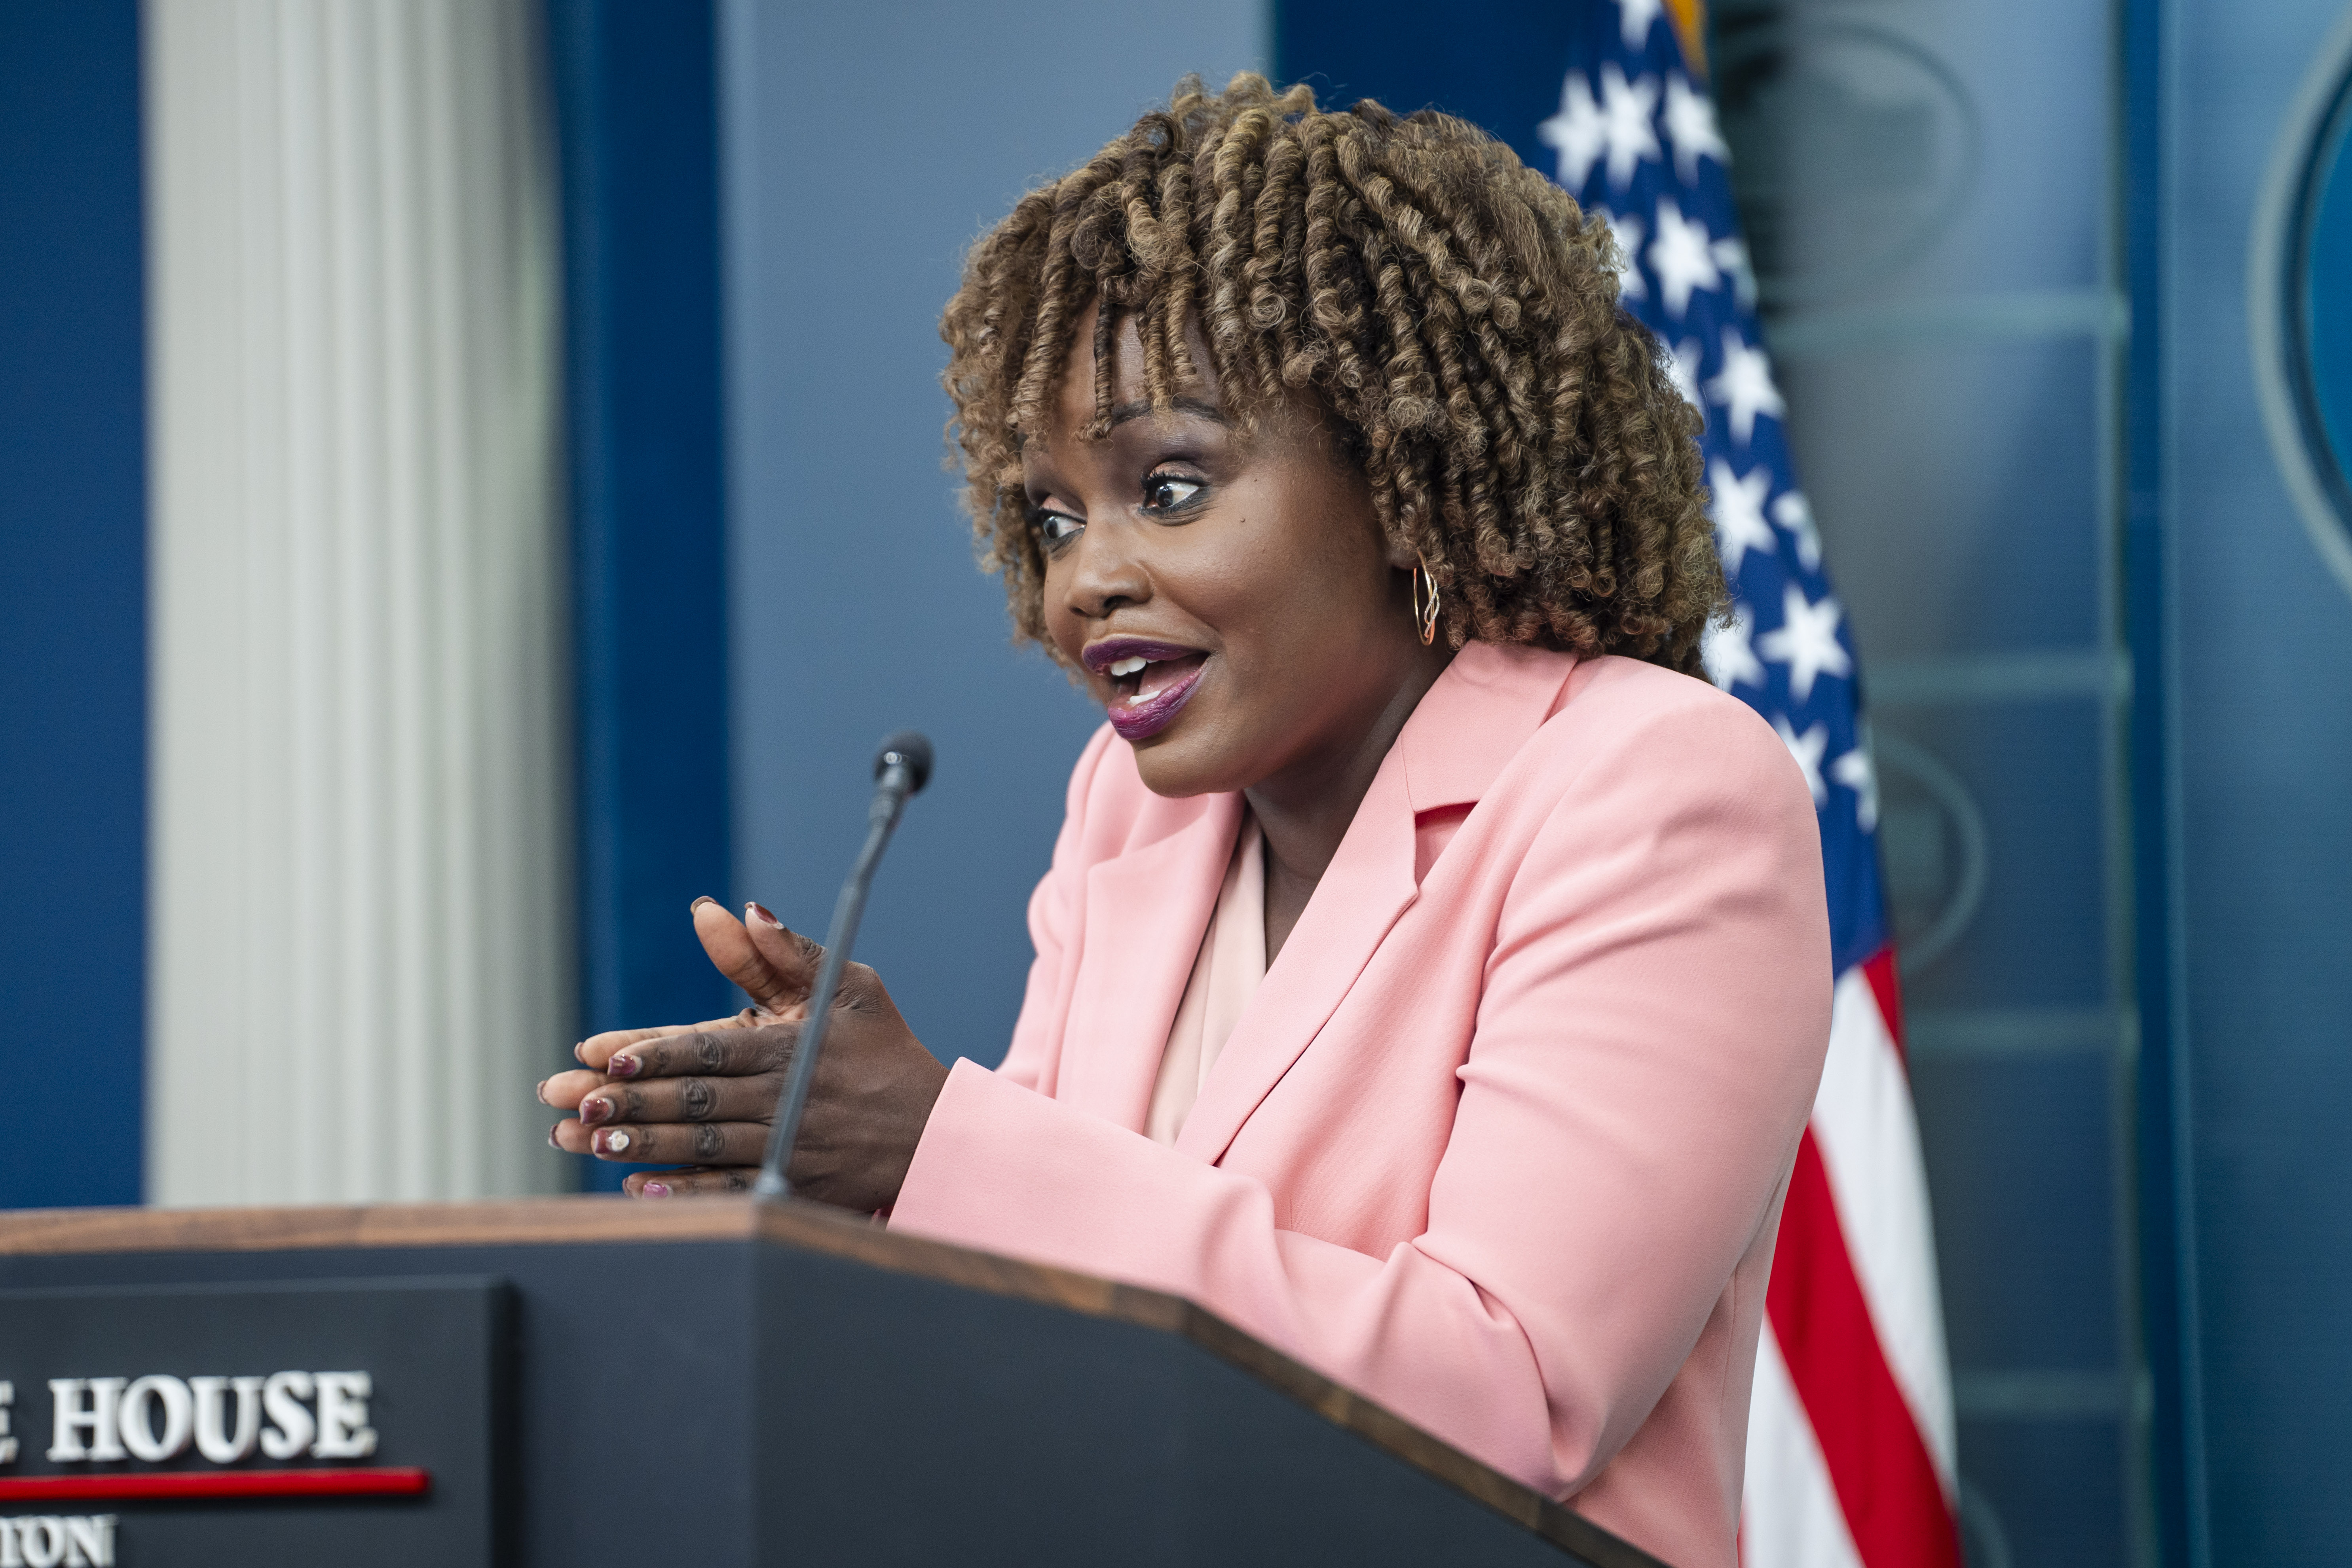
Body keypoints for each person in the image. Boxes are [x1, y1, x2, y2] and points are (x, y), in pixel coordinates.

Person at [539, 76, 1829, 1568]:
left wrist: (934, 1142)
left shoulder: (1654, 785)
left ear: (1400, 477)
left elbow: (1508, 1396)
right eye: (1052, 517)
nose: (1082, 582)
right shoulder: (1132, 819)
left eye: (1169, 484)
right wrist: (837, 1206)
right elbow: (1033, 1320)